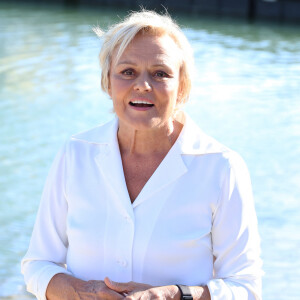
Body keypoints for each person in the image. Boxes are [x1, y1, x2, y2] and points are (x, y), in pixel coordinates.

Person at [21, 10, 263, 300]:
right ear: (107, 82)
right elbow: (37, 265)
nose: (142, 85)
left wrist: (174, 295)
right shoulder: (75, 154)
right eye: (127, 72)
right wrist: (85, 292)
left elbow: (246, 288)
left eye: (160, 73)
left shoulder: (221, 167)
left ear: (182, 87)